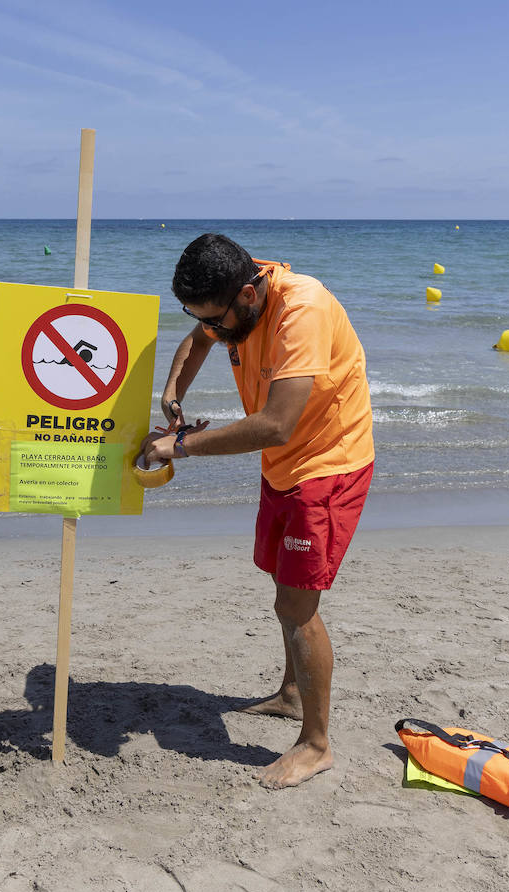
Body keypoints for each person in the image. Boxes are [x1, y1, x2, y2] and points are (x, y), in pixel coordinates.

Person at [142, 233, 374, 789]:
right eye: (202, 318)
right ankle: (293, 694)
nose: (213, 332)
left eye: (219, 321)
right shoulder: (234, 299)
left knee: (297, 605)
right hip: (282, 465)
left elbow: (276, 423)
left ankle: (316, 745)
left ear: (248, 295)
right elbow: (197, 341)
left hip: (328, 463)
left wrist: (181, 447)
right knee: (281, 585)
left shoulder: (304, 309)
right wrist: (173, 394)